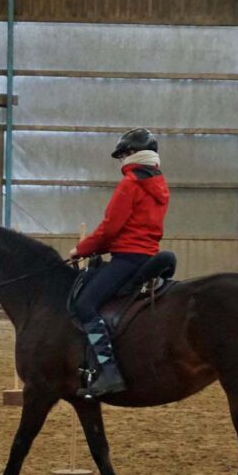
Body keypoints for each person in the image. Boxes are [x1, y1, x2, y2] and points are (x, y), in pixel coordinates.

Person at [67, 127, 170, 397]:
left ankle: (109, 373)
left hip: (127, 257)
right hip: (147, 255)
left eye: (123, 154)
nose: (121, 159)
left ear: (133, 154)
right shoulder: (160, 185)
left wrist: (81, 249)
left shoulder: (130, 184)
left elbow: (110, 228)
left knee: (85, 304)